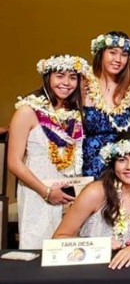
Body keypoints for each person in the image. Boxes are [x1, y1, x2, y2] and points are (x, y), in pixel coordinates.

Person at [8, 55, 88, 249]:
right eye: (60, 76)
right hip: (38, 192)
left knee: (69, 252)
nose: (66, 83)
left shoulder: (77, 114)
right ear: (47, 77)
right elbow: (14, 162)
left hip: (71, 196)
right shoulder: (27, 111)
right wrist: (46, 192)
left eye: (72, 77)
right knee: (39, 248)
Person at [53, 132, 130, 269]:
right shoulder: (95, 192)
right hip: (92, 269)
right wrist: (98, 244)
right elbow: (59, 238)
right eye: (122, 160)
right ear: (113, 164)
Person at [83, 31, 130, 179]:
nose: (118, 59)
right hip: (90, 167)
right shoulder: (84, 83)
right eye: (112, 53)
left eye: (124, 55)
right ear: (101, 53)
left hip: (126, 167)